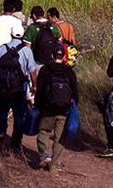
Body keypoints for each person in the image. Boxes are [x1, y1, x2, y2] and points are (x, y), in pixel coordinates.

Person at [35, 44, 78, 172]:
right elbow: (75, 93)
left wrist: (39, 106)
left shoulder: (45, 70)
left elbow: (40, 91)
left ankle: (46, 155)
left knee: (44, 131)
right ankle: (54, 165)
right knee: (60, 137)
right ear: (64, 55)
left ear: (52, 55)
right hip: (64, 110)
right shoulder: (69, 71)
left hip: (48, 108)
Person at [0, 32, 37, 151]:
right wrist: (34, 85)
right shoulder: (27, 50)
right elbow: (32, 70)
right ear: (23, 37)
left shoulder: (2, 48)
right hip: (19, 89)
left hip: (4, 88)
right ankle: (16, 143)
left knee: (2, 112)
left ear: (11, 35)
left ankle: (0, 136)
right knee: (18, 116)